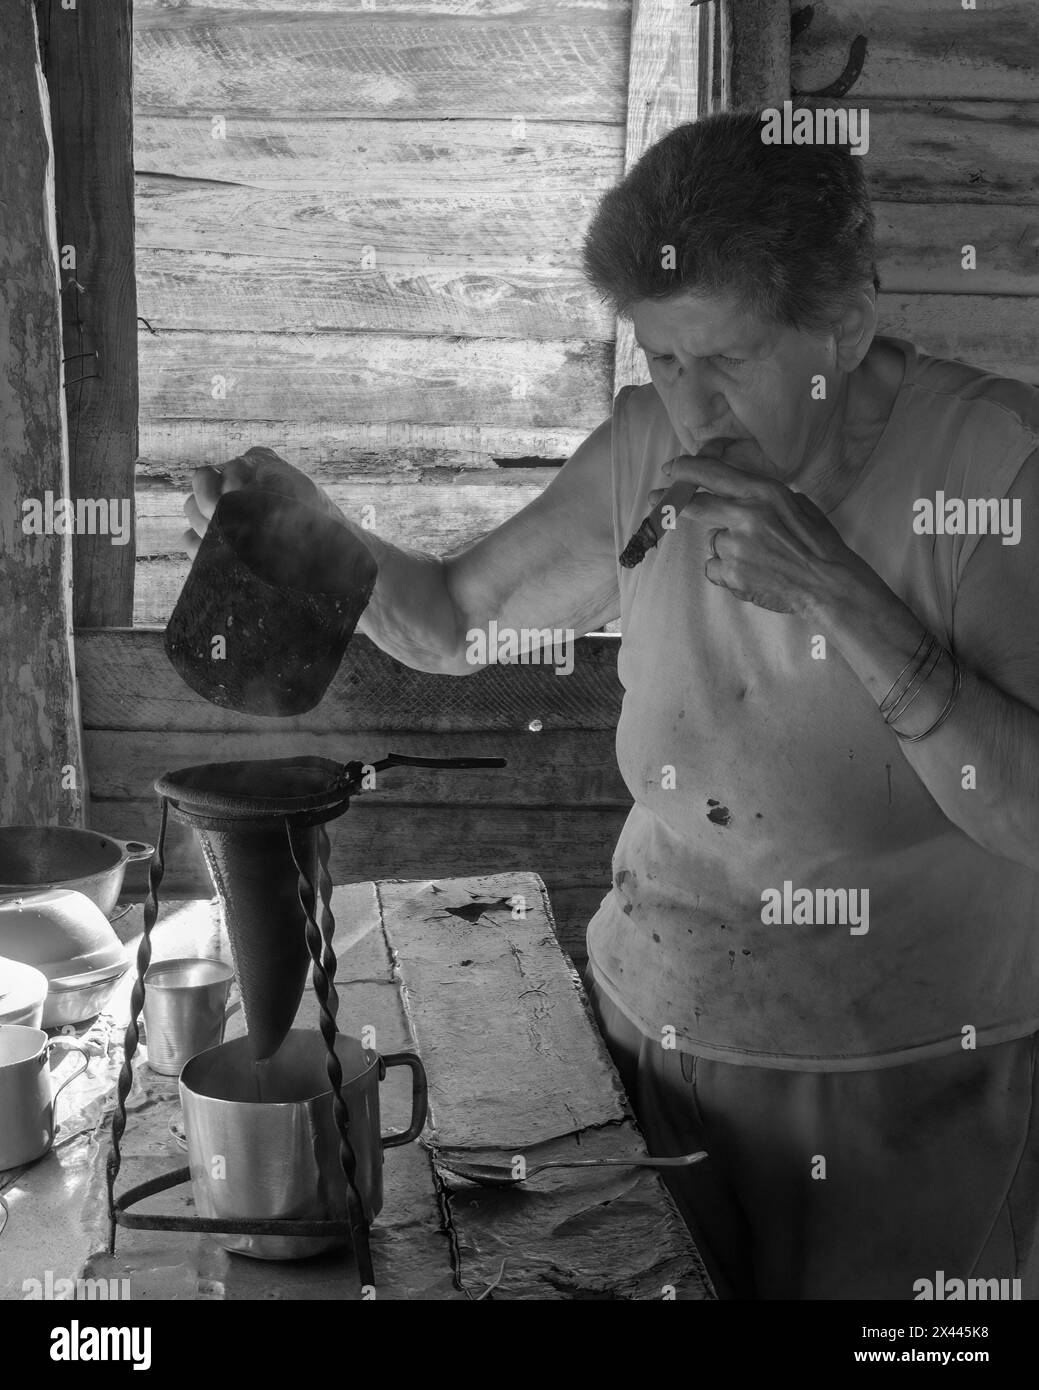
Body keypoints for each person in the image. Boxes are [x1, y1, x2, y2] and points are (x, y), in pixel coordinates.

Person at [183, 111, 1039, 1300]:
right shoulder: (643, 451)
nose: (691, 410)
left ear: (843, 326)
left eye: (726, 360)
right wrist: (303, 531)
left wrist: (841, 593)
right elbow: (449, 622)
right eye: (659, 358)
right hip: (654, 1043)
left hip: (905, 1087)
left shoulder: (991, 467)